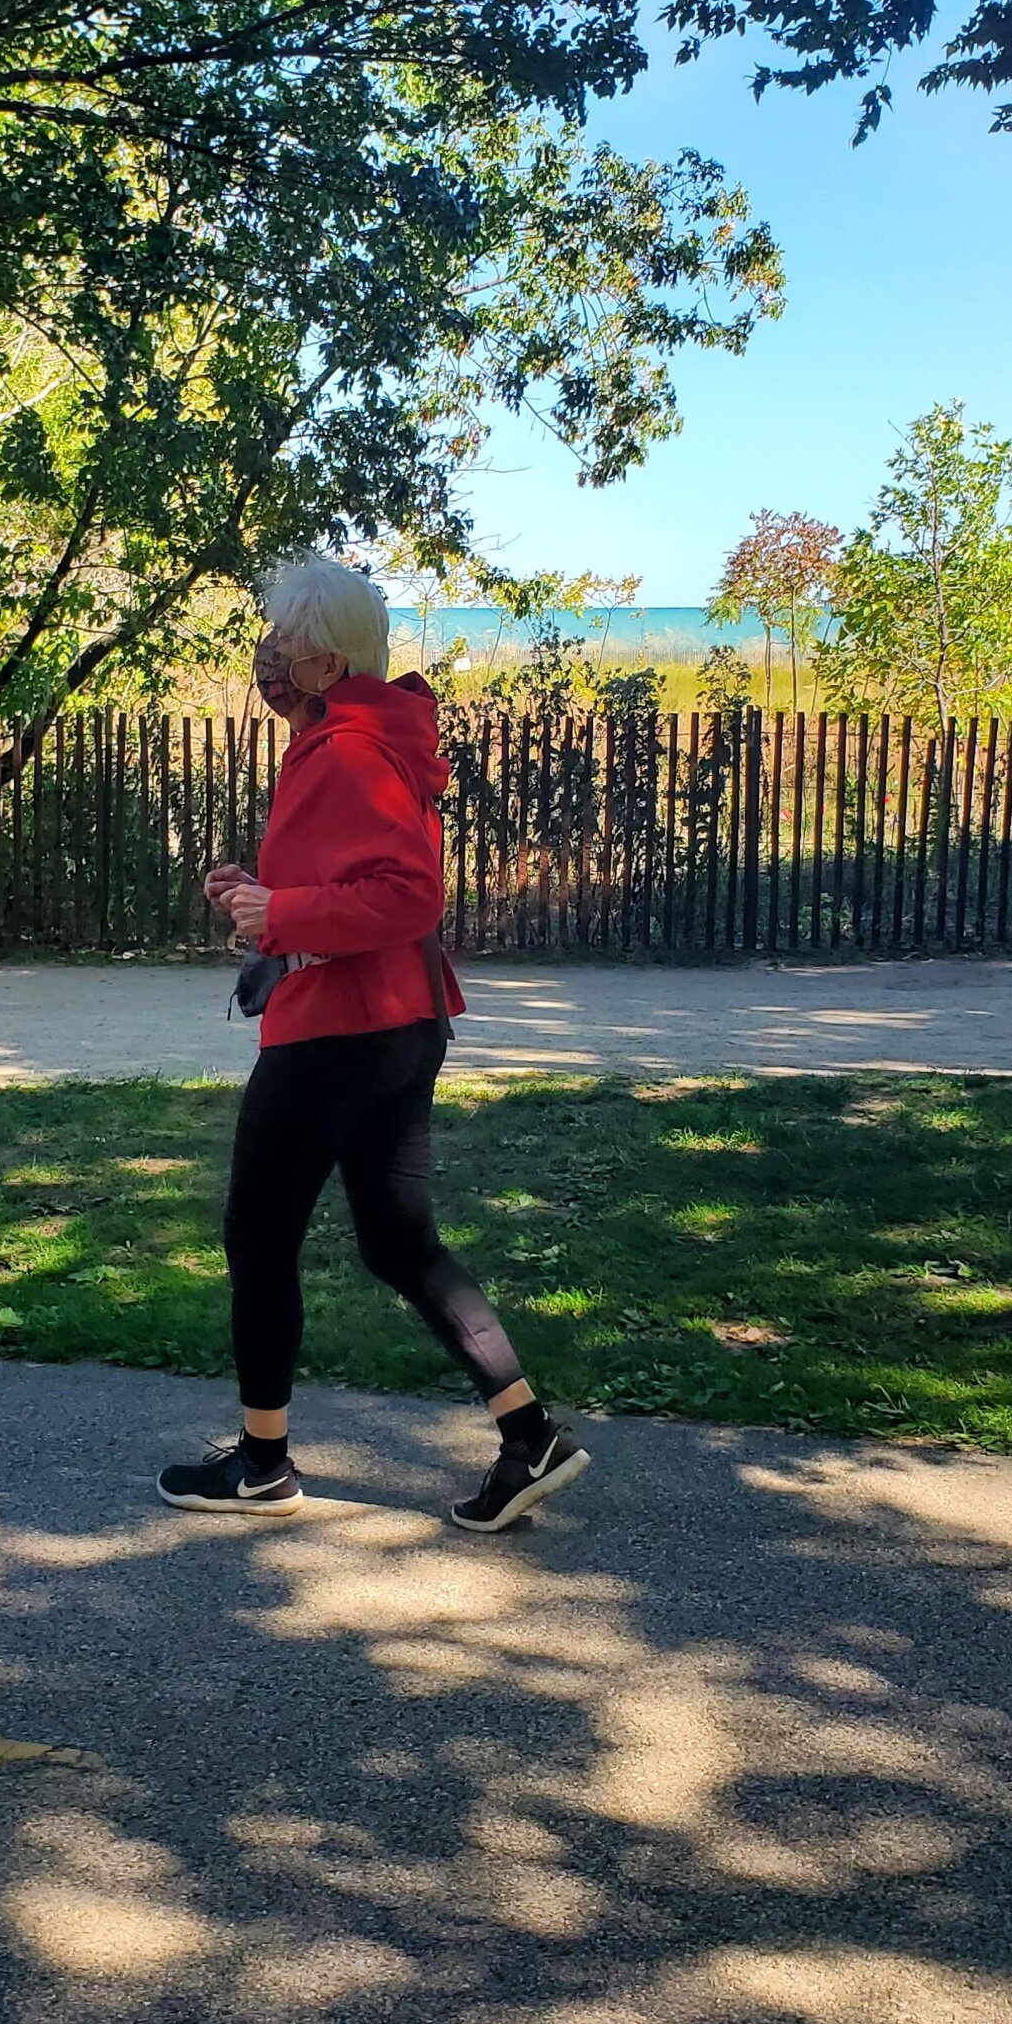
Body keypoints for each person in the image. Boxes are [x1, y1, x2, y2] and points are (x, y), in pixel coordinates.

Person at [157, 554, 592, 1532]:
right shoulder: (357, 739)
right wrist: (260, 901)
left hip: (340, 1032)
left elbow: (411, 895)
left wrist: (286, 909)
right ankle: (532, 1439)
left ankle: (263, 1464)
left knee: (258, 1235)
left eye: (282, 637)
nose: (266, 651)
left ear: (325, 659)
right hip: (398, 1023)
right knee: (399, 1243)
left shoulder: (349, 749)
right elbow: (342, 885)